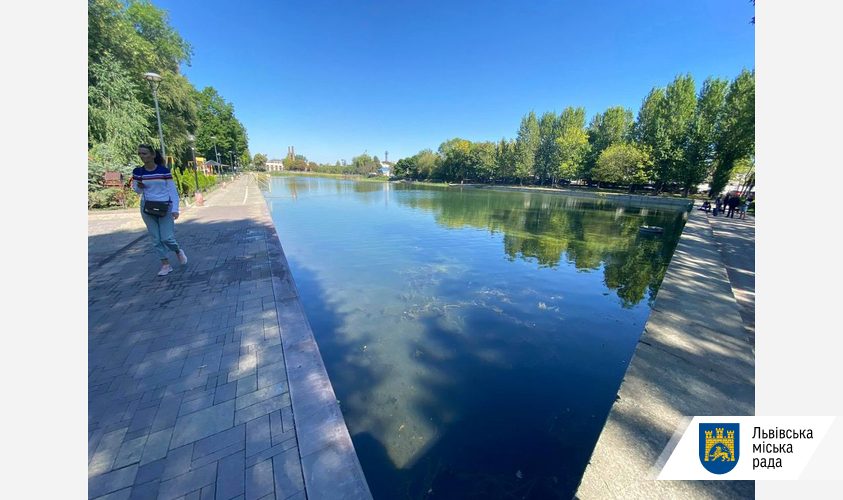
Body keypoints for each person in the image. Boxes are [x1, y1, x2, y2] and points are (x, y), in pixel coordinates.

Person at [132, 144, 187, 276]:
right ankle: (165, 264)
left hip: (164, 206)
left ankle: (178, 250)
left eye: (144, 153)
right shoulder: (138, 172)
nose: (142, 156)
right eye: (140, 153)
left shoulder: (163, 171)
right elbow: (137, 190)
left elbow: (172, 190)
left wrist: (175, 208)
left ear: (152, 155)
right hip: (147, 207)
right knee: (156, 238)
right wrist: (139, 186)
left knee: (167, 237)